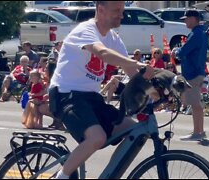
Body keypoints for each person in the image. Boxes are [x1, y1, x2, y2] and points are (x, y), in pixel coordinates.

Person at [49, 2, 154, 179]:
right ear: (101, 9)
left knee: (134, 129)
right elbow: (103, 53)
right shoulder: (86, 30)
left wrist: (153, 92)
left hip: (91, 98)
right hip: (66, 95)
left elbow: (131, 72)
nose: (121, 15)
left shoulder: (113, 38)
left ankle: (110, 175)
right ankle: (62, 176)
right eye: (117, 11)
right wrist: (137, 63)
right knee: (97, 138)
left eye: (122, 11)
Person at [175, 9, 208, 141]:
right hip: (197, 71)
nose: (185, 21)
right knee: (196, 104)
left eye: (187, 19)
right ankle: (199, 131)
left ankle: (197, 133)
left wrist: (176, 51)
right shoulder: (201, 33)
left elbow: (183, 51)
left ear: (194, 19)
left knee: (195, 104)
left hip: (193, 73)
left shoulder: (196, 34)